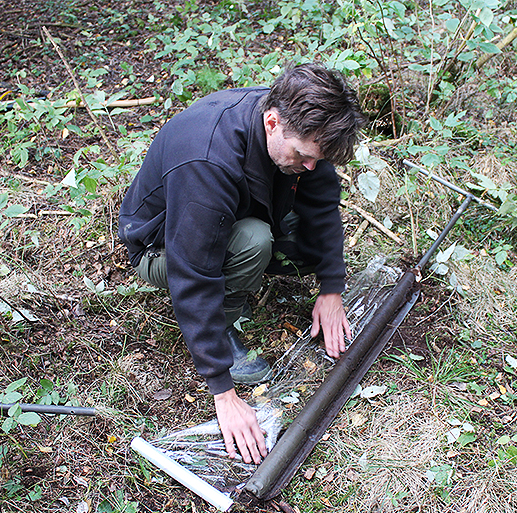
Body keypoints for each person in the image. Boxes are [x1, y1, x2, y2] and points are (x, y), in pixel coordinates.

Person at [118, 63, 365, 465]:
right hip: (161, 245)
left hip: (232, 208)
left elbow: (322, 204)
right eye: (302, 156)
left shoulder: (301, 124)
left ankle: (251, 262)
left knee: (305, 242)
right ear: (272, 122)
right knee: (253, 241)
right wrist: (223, 392)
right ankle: (229, 319)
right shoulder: (209, 160)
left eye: (315, 159)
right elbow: (192, 272)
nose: (309, 166)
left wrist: (331, 288)